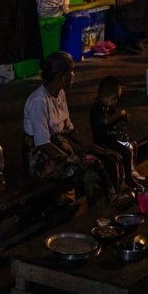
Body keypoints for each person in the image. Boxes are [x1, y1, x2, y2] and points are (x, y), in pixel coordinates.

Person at [24, 52, 122, 203]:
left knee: (105, 158)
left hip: (59, 148)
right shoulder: (39, 100)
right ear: (63, 76)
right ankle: (100, 206)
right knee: (90, 168)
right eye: (71, 71)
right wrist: (70, 159)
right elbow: (43, 143)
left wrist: (94, 148)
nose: (74, 75)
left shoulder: (60, 93)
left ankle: (110, 199)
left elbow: (69, 129)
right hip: (42, 158)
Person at [90, 76, 142, 187]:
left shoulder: (109, 106)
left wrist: (123, 119)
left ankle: (132, 170)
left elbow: (113, 121)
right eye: (114, 99)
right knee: (126, 150)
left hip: (113, 136)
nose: (116, 102)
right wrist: (119, 114)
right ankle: (128, 178)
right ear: (104, 97)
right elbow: (105, 121)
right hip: (103, 140)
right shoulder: (97, 108)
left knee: (133, 143)